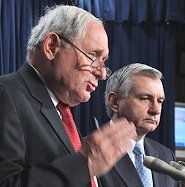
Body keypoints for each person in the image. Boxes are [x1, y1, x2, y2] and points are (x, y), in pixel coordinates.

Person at [0, 5, 137, 187]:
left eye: (103, 61)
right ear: (52, 47)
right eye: (93, 55)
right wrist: (83, 164)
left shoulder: (61, 113)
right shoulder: (6, 95)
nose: (102, 73)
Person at [99, 63, 180, 187]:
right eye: (145, 98)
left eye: (160, 101)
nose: (156, 110)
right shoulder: (91, 152)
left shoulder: (166, 155)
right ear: (115, 102)